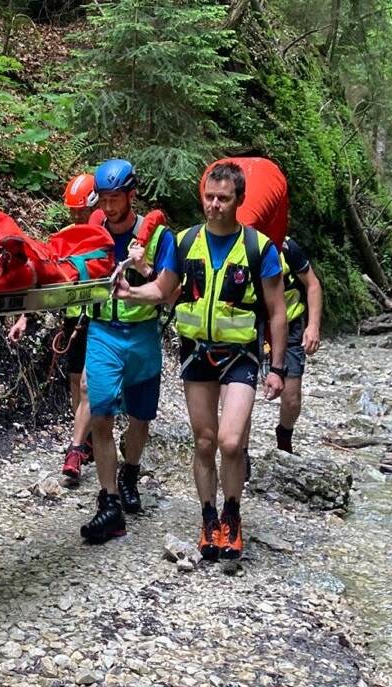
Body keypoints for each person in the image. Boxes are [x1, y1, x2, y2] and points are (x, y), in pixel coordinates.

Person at [114, 161, 287, 562]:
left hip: (241, 355)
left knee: (230, 440)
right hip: (197, 354)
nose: (214, 205)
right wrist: (129, 293)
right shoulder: (187, 240)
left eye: (224, 199)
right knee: (205, 441)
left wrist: (277, 368)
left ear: (239, 200)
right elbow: (162, 289)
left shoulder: (261, 249)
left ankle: (233, 513)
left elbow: (277, 312)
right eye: (209, 197)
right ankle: (209, 518)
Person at [78, 159, 176, 544]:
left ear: (131, 195)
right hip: (103, 331)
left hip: (142, 335)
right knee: (101, 414)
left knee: (140, 417)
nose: (109, 205)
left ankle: (130, 471)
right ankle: (109, 503)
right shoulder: (91, 232)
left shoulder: (158, 236)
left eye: (115, 197)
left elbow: (167, 291)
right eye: (104, 197)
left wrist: (141, 272)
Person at [8, 173, 101, 479]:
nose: (76, 216)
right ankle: (85, 439)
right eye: (73, 211)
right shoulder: (67, 236)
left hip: (100, 316)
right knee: (75, 381)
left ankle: (80, 444)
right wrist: (25, 316)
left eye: (80, 211)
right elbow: (48, 277)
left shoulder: (106, 234)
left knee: (88, 383)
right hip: (74, 316)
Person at [274, 237, 323, 453]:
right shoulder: (241, 242)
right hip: (251, 326)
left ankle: (284, 435)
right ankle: (241, 453)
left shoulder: (287, 246)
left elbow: (312, 285)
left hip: (290, 325)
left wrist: (313, 326)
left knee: (292, 399)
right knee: (242, 394)